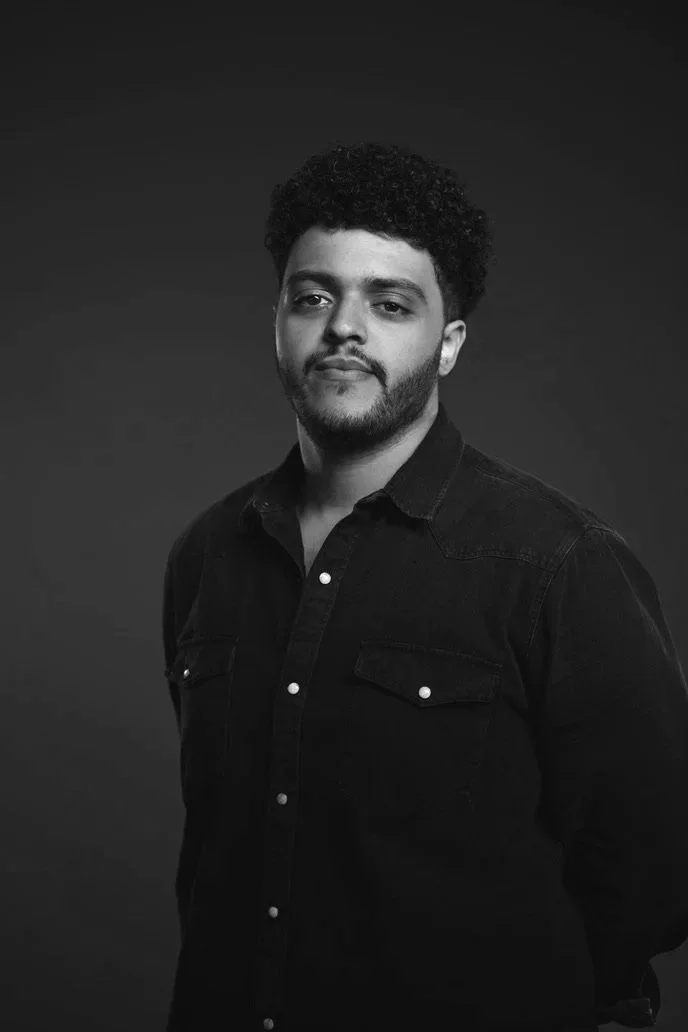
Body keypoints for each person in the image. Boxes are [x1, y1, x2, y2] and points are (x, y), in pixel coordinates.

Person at [161, 141, 688, 1031]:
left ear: (447, 345)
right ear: (279, 320)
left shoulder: (560, 565)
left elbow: (656, 872)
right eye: (313, 296)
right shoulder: (207, 555)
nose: (343, 328)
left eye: (391, 303)